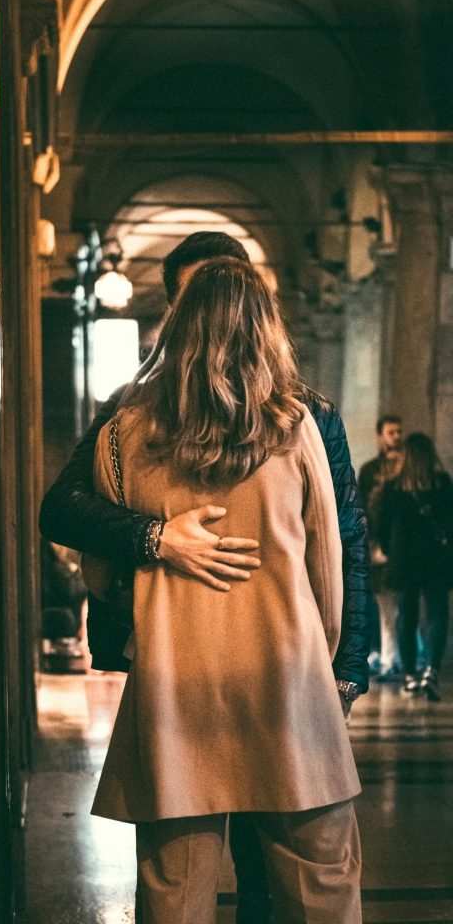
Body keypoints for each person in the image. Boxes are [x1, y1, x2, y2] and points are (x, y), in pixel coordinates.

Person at [40, 231, 371, 923]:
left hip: (174, 683)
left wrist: (156, 553)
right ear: (266, 325)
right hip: (286, 678)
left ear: (176, 323)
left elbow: (100, 574)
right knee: (317, 877)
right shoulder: (298, 425)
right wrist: (328, 660)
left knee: (175, 883)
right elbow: (331, 565)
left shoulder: (124, 430)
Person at [377, 432, 453, 701]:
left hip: (404, 561)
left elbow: (382, 526)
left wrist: (388, 550)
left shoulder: (393, 486)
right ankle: (431, 669)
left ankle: (409, 676)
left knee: (405, 616)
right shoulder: (442, 483)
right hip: (436, 560)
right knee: (437, 615)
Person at [358, 415, 404, 678]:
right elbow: (364, 509)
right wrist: (372, 543)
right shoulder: (370, 471)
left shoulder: (407, 468)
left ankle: (395, 656)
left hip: (401, 544)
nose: (396, 437)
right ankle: (385, 655)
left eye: (399, 432)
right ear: (380, 436)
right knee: (381, 602)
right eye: (391, 432)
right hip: (379, 544)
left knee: (396, 607)